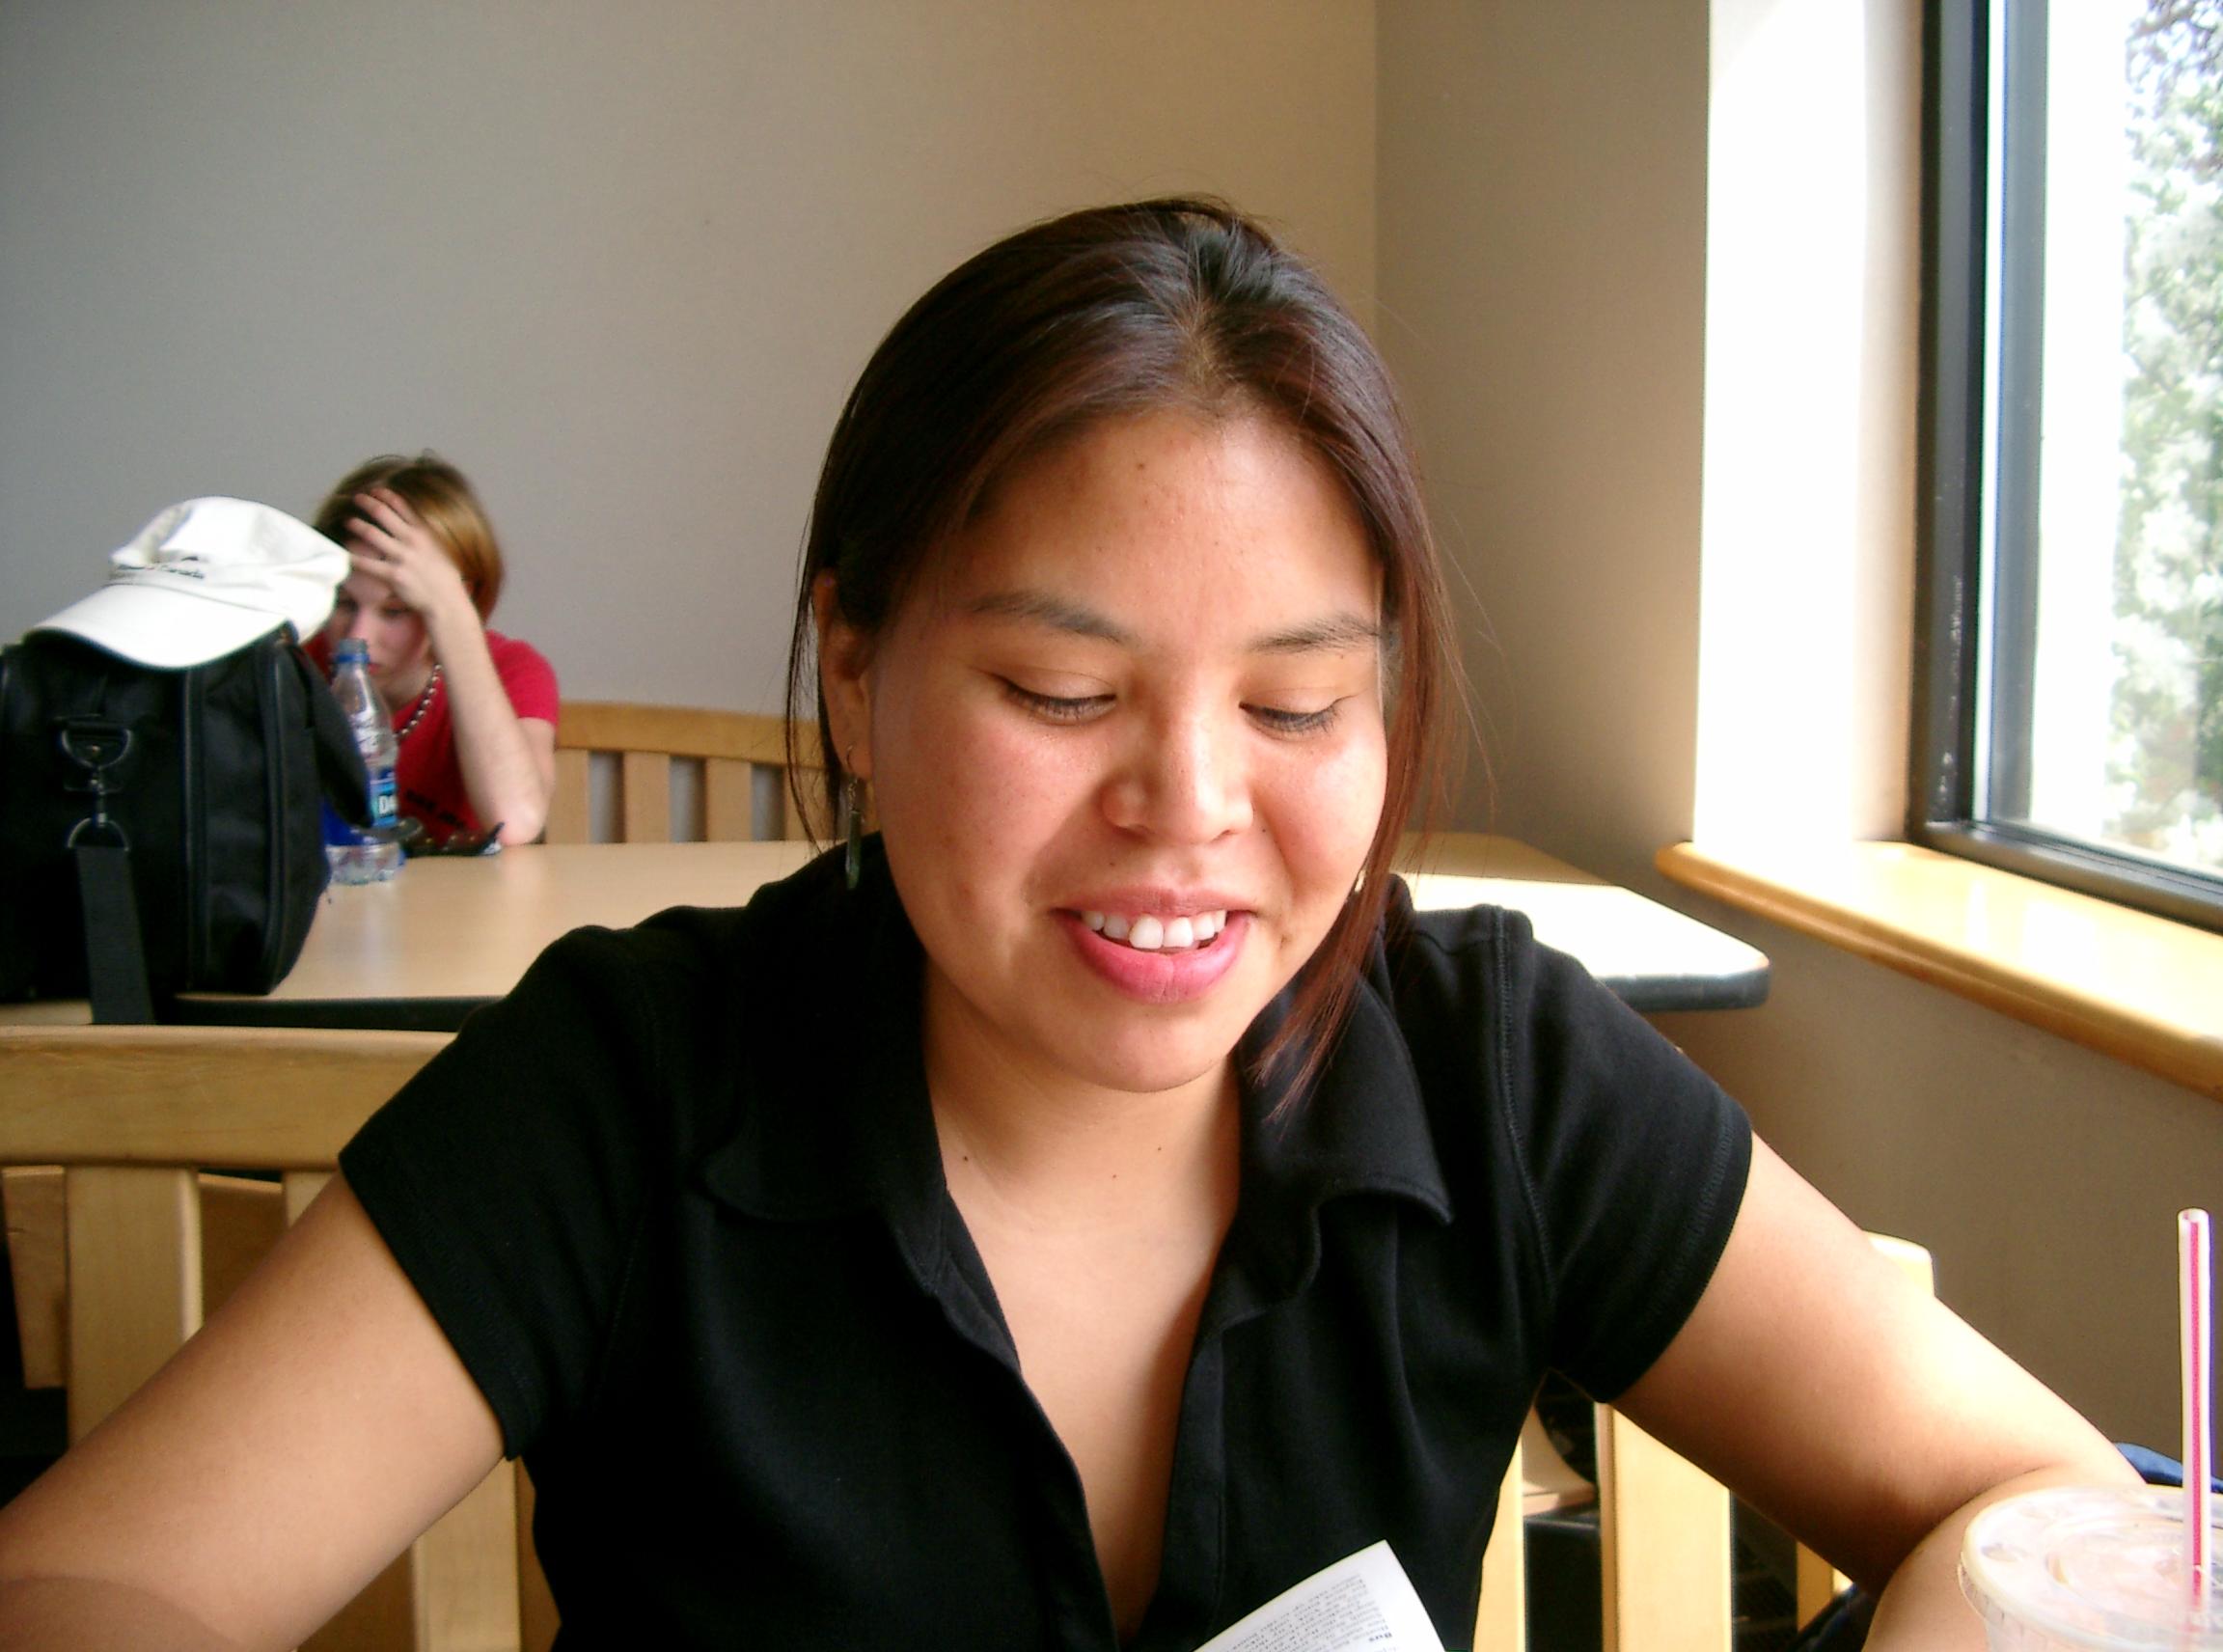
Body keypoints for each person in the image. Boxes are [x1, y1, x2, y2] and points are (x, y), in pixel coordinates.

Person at [0, 201, 2134, 1651]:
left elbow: (2038, 1507)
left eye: (1295, 705)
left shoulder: (1490, 1064)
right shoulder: (635, 1087)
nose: (1189, 808)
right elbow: (92, 1584)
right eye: (1058, 691)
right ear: (855, 672)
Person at [306, 454, 559, 847]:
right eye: (344, 603)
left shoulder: (514, 669)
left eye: (395, 610)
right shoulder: (295, 665)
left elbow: (515, 822)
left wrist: (452, 613)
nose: (358, 636)